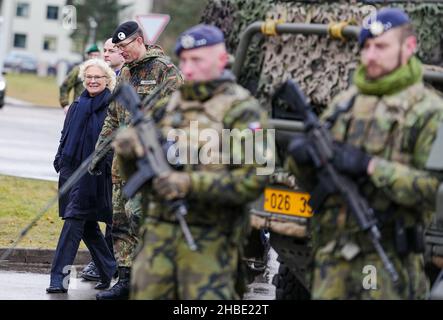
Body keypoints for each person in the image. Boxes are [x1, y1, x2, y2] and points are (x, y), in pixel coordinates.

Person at [287, 8, 443, 299]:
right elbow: (314, 182)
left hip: (386, 259)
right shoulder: (345, 103)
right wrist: (301, 161)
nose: (370, 55)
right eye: (366, 46)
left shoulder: (432, 111)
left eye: (381, 46)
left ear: (409, 48)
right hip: (333, 258)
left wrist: (370, 166)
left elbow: (434, 191)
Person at [112, 24, 272, 299]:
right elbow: (141, 178)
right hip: (157, 247)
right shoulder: (169, 107)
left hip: (207, 248)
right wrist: (129, 154)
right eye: (184, 60)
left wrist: (188, 183)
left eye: (197, 60)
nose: (188, 68)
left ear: (221, 60)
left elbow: (256, 179)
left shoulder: (245, 111)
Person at [90, 21, 183, 300]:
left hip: (151, 166)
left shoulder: (166, 72)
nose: (122, 52)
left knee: (143, 220)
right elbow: (113, 117)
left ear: (140, 40)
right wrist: (99, 151)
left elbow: (179, 120)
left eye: (125, 46)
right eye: (117, 48)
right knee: (120, 223)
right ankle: (126, 281)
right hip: (123, 165)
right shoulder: (126, 73)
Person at [46, 58, 117, 293]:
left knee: (74, 222)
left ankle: (59, 279)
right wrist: (59, 160)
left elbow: (115, 143)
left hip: (95, 175)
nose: (93, 81)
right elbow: (64, 135)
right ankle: (109, 270)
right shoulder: (77, 105)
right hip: (70, 171)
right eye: (89, 77)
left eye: (98, 77)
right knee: (87, 226)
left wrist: (103, 166)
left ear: (107, 80)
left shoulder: (113, 107)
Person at [80, 38, 125, 282]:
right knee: (99, 212)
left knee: (114, 214)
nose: (106, 54)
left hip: (121, 157)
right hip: (101, 156)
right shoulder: (99, 76)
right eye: (105, 50)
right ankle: (104, 262)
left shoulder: (125, 78)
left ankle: (110, 264)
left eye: (112, 50)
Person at [59, 44, 102, 114]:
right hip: (79, 108)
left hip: (96, 110)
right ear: (88, 56)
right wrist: (65, 104)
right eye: (92, 55)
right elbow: (65, 86)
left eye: (96, 55)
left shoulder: (103, 71)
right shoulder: (78, 70)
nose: (94, 57)